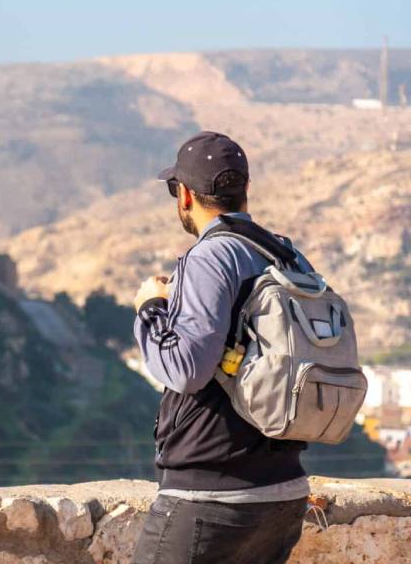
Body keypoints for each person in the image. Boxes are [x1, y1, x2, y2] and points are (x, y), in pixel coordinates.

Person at [132, 131, 311, 564]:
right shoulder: (288, 257)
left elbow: (185, 369)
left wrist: (150, 309)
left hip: (211, 496)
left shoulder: (210, 257)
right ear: (245, 190)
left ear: (186, 197)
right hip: (282, 493)